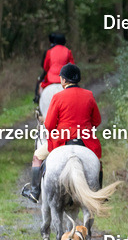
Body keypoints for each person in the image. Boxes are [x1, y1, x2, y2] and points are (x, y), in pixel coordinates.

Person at [21, 63, 102, 203]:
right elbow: (97, 121)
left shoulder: (58, 97)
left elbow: (49, 125)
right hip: (85, 140)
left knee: (37, 156)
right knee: (97, 163)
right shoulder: (89, 95)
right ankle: (99, 193)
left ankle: (34, 192)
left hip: (62, 140)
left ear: (64, 80)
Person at [34, 32, 75, 104]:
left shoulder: (49, 52)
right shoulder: (68, 51)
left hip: (51, 78)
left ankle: (37, 99)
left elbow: (45, 67)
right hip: (65, 79)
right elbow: (72, 67)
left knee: (41, 85)